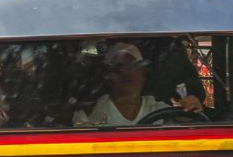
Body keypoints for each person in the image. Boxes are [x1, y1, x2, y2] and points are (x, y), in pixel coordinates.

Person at [76, 42, 204, 126]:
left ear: (143, 73)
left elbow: (184, 128)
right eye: (118, 68)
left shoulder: (159, 108)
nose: (126, 74)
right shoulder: (90, 112)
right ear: (108, 76)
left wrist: (189, 110)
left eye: (133, 66)